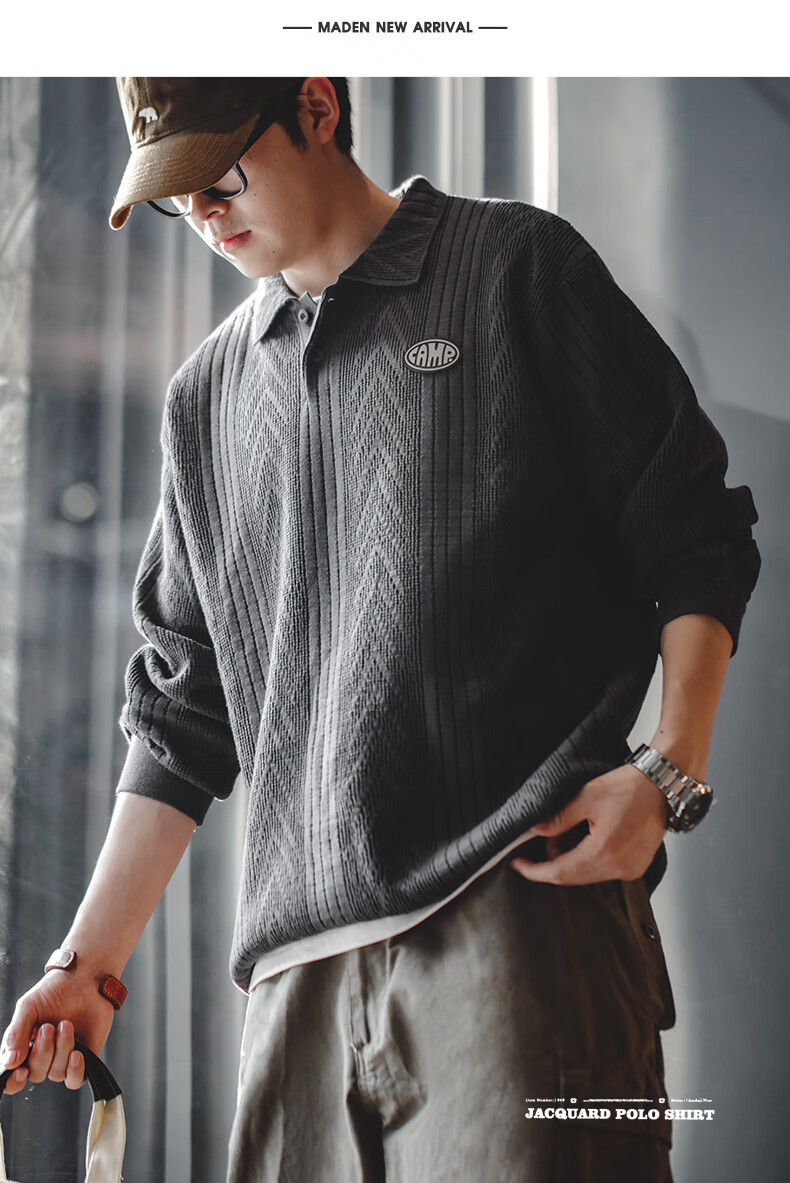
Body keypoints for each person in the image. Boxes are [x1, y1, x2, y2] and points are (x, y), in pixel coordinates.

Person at [1, 76, 761, 1181]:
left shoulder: (514, 266)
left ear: (317, 107)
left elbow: (695, 529)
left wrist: (668, 771)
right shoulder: (204, 399)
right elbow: (180, 710)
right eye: (175, 193)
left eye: (219, 173)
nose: (203, 211)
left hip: (514, 925)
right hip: (292, 982)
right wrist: (86, 966)